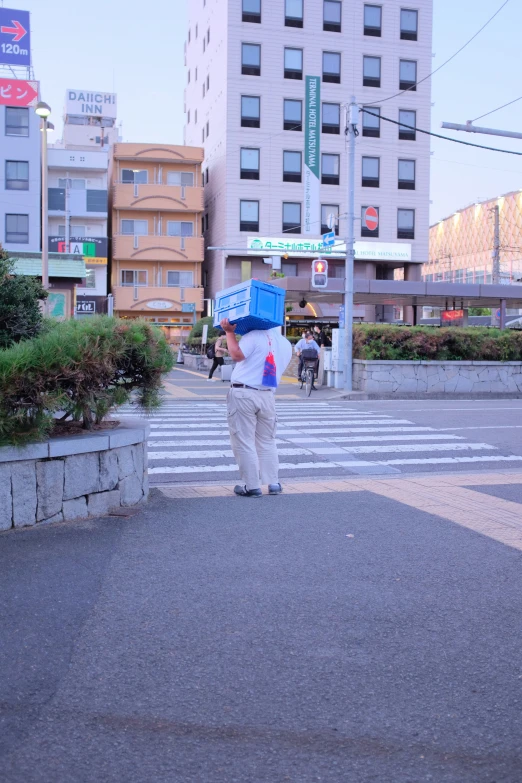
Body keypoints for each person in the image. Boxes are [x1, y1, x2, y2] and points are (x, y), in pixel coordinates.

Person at [220, 318, 292, 497]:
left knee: (244, 440)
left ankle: (251, 486)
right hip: (267, 395)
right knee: (267, 440)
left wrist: (229, 332)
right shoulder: (285, 344)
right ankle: (273, 483)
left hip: (244, 393)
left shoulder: (254, 336)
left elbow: (236, 355)